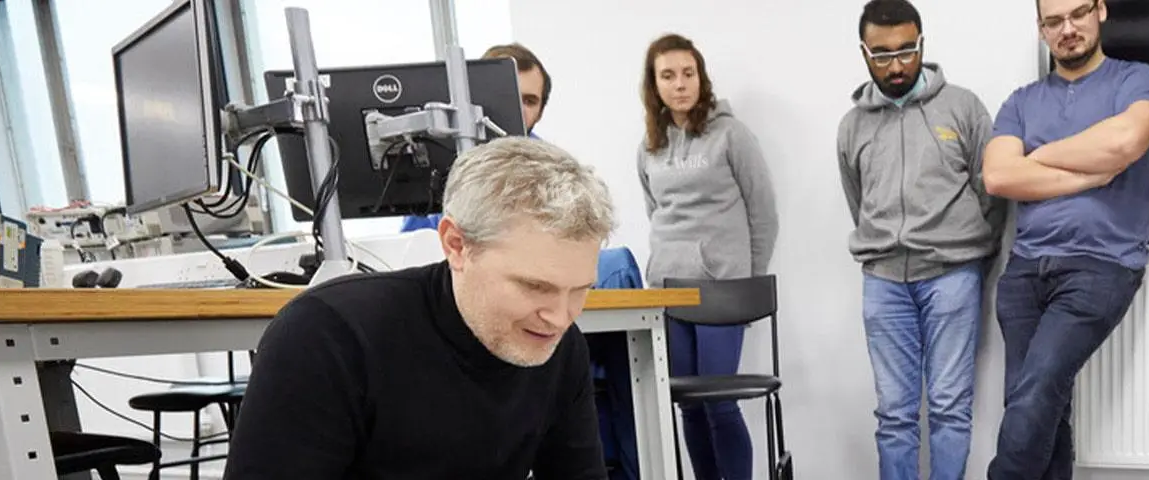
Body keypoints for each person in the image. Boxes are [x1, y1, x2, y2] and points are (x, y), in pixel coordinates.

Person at [225, 137, 616, 479]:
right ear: (457, 246)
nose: (561, 317)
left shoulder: (557, 345)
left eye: (580, 290)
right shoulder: (328, 336)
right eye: (534, 286)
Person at [980, 0, 1149, 477]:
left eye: (1078, 13)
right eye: (1053, 21)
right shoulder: (1020, 101)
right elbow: (999, 176)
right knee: (1042, 406)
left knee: (1038, 389)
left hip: (1101, 266)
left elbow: (1124, 142)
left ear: (1100, 10)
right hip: (1024, 272)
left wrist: (1036, 158)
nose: (1068, 29)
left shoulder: (1135, 81)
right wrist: (1091, 173)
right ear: (1040, 29)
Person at [837, 1, 1005, 479]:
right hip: (883, 282)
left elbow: (990, 190)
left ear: (922, 45)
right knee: (894, 415)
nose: (897, 64)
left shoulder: (964, 107)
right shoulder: (852, 125)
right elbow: (859, 201)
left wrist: (970, 253)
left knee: (951, 407)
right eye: (883, 54)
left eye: (907, 50)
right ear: (865, 53)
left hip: (952, 275)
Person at [637, 33, 778, 480]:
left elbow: (764, 214)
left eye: (688, 73)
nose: (680, 84)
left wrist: (748, 287)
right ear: (654, 85)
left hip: (723, 289)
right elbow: (655, 213)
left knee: (719, 404)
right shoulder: (648, 147)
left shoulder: (731, 134)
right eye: (668, 75)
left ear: (701, 77)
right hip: (668, 293)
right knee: (686, 406)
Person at [401, 42, 554, 232]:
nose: (517, 108)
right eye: (507, 96)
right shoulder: (434, 158)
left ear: (540, 113)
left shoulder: (552, 170)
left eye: (529, 101)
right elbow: (415, 241)